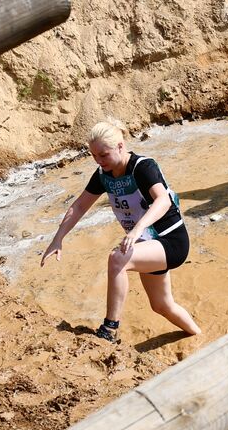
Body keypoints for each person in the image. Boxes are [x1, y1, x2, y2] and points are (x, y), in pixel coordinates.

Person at [41, 121, 201, 343]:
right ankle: (198, 337)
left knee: (117, 259)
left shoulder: (143, 167)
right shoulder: (103, 174)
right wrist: (58, 238)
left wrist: (137, 230)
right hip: (146, 243)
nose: (98, 161)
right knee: (161, 306)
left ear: (120, 146)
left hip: (170, 241)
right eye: (94, 156)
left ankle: (109, 330)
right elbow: (78, 206)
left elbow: (162, 201)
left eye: (103, 155)